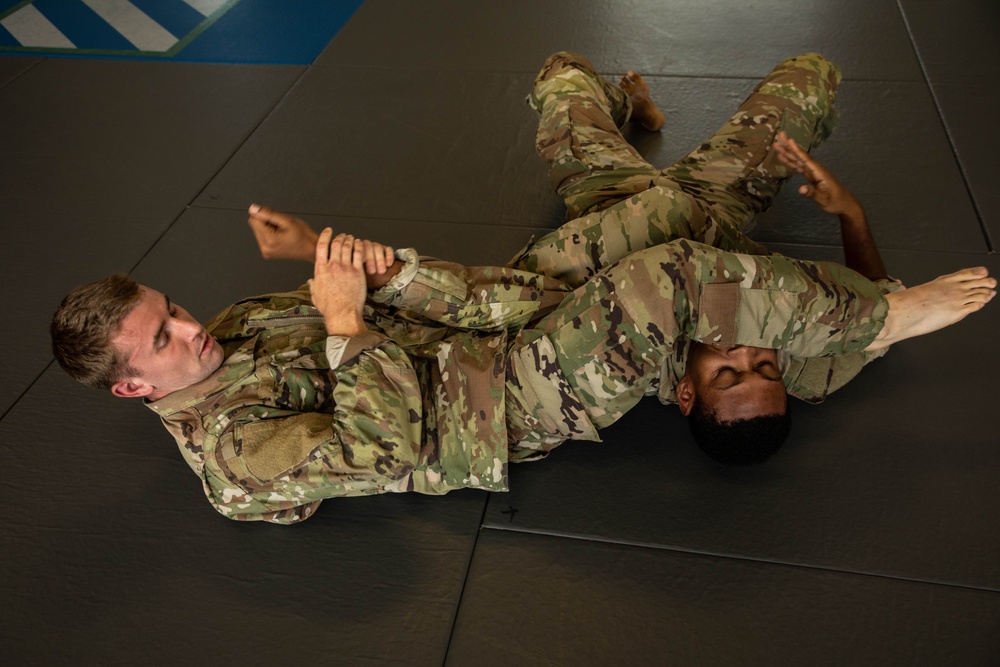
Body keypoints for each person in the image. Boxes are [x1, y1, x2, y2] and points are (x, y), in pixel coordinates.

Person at [51, 53, 995, 524]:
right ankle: (887, 316)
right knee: (670, 272)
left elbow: (381, 307)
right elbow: (382, 447)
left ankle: (621, 133)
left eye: (169, 308)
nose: (188, 326)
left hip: (498, 309)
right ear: (132, 386)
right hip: (493, 402)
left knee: (615, 142)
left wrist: (347, 260)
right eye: (164, 339)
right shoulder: (233, 465)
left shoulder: (229, 331)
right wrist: (343, 328)